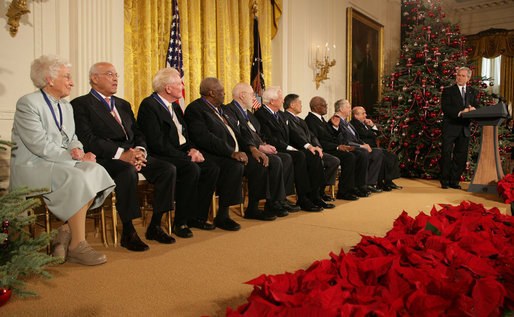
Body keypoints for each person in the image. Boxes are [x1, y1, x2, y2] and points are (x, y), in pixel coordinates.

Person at [9, 55, 115, 266]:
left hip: (59, 163)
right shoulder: (28, 103)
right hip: (33, 165)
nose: (72, 82)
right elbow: (38, 145)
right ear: (49, 79)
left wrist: (79, 151)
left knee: (96, 171)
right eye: (67, 77)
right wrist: (73, 157)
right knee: (77, 178)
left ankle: (65, 231)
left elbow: (72, 138)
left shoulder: (66, 106)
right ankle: (78, 245)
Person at [71, 62, 176, 252]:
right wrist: (122, 155)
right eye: (110, 74)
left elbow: (138, 133)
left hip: (132, 153)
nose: (116, 78)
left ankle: (155, 225)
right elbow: (88, 139)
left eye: (116, 74)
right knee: (127, 171)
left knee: (167, 169)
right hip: (105, 157)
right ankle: (128, 232)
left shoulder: (123, 104)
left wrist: (140, 151)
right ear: (95, 78)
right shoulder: (81, 105)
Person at [184, 77, 279, 231]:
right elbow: (204, 137)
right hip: (212, 154)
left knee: (259, 163)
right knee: (235, 166)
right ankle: (223, 215)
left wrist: (252, 149)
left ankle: (253, 208)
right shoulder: (196, 109)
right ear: (211, 93)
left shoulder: (221, 110)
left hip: (231, 152)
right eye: (221, 91)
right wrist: (231, 153)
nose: (224, 93)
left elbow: (239, 133)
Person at [137, 68, 219, 238]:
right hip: (161, 154)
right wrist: (186, 156)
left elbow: (184, 134)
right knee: (191, 169)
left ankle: (196, 217)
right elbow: (156, 142)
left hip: (180, 152)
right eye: (179, 83)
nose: (183, 86)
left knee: (211, 168)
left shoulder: (174, 105)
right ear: (168, 88)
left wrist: (192, 149)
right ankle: (180, 222)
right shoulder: (149, 105)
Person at [223, 83, 299, 215]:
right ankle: (268, 204)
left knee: (285, 158)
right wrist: (258, 147)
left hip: (257, 147)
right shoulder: (229, 110)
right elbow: (237, 134)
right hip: (244, 150)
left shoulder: (250, 114)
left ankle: (279, 200)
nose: (255, 98)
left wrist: (264, 144)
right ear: (242, 95)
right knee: (273, 161)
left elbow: (259, 133)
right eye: (252, 95)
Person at [254, 87, 324, 212]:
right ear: (272, 101)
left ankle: (313, 195)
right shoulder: (261, 114)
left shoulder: (280, 114)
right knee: (298, 156)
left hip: (286, 147)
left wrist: (309, 146)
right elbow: (269, 138)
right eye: (280, 99)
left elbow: (293, 133)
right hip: (274, 148)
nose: (282, 101)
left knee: (311, 155)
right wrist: (290, 147)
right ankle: (299, 198)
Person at [281, 94, 338, 209]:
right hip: (297, 149)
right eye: (299, 102)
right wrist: (309, 146)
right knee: (312, 156)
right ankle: (305, 198)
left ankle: (316, 195)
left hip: (308, 149)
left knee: (316, 155)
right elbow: (294, 135)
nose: (302, 105)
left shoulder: (301, 120)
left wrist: (317, 146)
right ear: (292, 104)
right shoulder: (285, 117)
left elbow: (312, 136)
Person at [305, 96, 360, 201]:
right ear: (315, 107)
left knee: (353, 155)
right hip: (323, 149)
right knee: (348, 157)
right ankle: (340, 191)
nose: (326, 107)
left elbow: (331, 137)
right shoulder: (310, 120)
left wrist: (335, 127)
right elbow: (318, 141)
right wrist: (337, 147)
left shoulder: (321, 119)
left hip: (330, 148)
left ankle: (348, 188)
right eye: (324, 105)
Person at [332, 99, 383, 194]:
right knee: (362, 153)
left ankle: (368, 184)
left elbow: (356, 137)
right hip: (347, 147)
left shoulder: (347, 122)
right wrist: (361, 146)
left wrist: (363, 144)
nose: (350, 110)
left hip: (355, 146)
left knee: (377, 152)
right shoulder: (336, 120)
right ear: (342, 109)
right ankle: (359, 185)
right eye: (348, 107)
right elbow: (344, 141)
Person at [440, 66, 478, 189]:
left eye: (463, 76)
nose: (460, 77)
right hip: (450, 126)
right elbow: (446, 108)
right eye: (458, 75)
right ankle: (445, 181)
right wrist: (461, 112)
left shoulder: (473, 91)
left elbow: (476, 106)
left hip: (464, 128)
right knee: (446, 154)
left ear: (468, 78)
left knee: (460, 156)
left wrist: (473, 109)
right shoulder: (448, 90)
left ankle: (454, 181)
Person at [351, 106, 402, 191]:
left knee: (392, 156)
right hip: (366, 149)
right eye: (363, 113)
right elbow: (366, 134)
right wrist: (372, 132)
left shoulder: (365, 124)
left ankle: (388, 181)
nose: (365, 115)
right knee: (382, 156)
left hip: (373, 148)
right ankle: (378, 183)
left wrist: (372, 126)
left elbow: (376, 134)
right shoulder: (354, 124)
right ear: (356, 115)